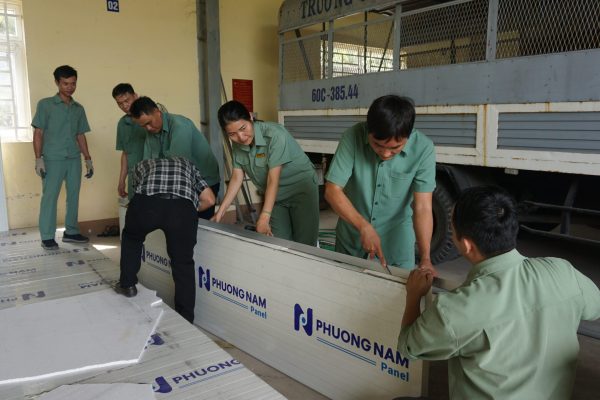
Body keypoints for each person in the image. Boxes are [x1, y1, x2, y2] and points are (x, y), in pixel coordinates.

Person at [397, 186, 600, 400]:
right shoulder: (563, 272)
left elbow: (408, 347)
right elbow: (595, 309)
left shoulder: (454, 310)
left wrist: (414, 296)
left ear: (466, 245)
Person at [325, 95, 435, 269]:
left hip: (397, 240)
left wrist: (426, 258)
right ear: (369, 130)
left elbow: (423, 207)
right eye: (377, 145)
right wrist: (363, 226)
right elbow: (332, 190)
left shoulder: (424, 148)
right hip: (352, 236)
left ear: (408, 136)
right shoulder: (352, 136)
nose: (385, 154)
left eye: (395, 148)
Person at [115, 156, 215, 323]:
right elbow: (210, 200)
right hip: (181, 207)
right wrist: (188, 210)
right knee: (183, 263)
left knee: (132, 238)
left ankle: (128, 285)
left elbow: (137, 192)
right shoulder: (189, 164)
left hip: (147, 204)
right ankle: (186, 318)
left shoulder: (143, 163)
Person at [212, 100, 319, 246]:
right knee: (279, 243)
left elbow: (272, 179)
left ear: (250, 117)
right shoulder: (238, 145)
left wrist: (265, 215)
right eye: (232, 134)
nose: (241, 137)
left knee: (305, 244)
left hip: (300, 191)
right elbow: (237, 177)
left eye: (243, 128)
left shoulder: (275, 134)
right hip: (274, 197)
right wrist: (221, 212)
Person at [32, 65, 94, 250]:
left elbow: (80, 135)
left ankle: (71, 232)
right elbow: (38, 133)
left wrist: (88, 159)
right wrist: (38, 159)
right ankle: (47, 236)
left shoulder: (78, 108)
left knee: (73, 195)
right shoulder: (45, 105)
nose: (70, 87)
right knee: (50, 197)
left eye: (73, 83)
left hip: (73, 158)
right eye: (65, 83)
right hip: (52, 158)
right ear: (57, 83)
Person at [129, 96, 220, 219]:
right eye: (143, 126)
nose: (148, 128)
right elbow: (148, 165)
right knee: (179, 222)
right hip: (180, 181)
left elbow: (178, 168)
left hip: (204, 181)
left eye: (149, 123)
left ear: (157, 112)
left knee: (199, 225)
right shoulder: (151, 133)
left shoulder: (180, 126)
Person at [112, 83, 147, 200]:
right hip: (134, 177)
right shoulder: (122, 124)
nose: (124, 106)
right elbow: (126, 153)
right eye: (120, 103)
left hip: (153, 175)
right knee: (136, 212)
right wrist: (122, 180)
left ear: (135, 96)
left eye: (127, 100)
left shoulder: (151, 116)